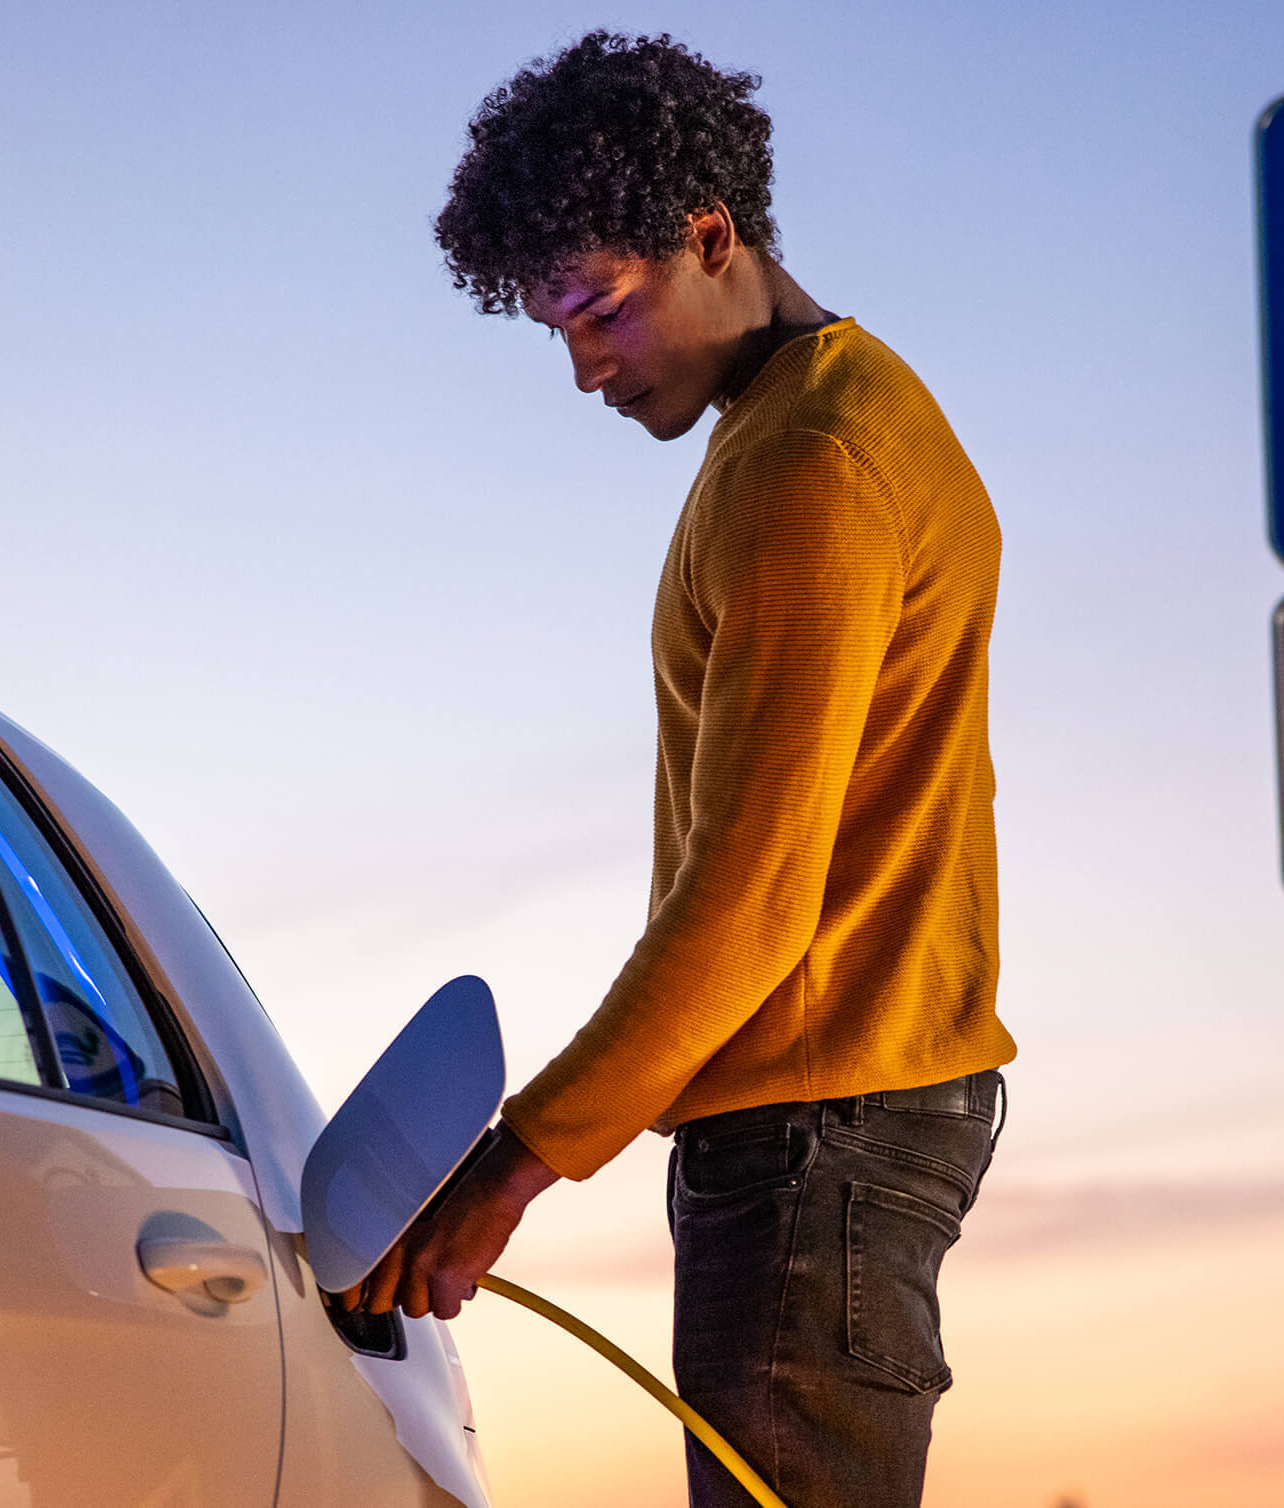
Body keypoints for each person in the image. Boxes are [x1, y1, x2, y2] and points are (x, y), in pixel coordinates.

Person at [345, 31, 1016, 1507]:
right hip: (842, 1114)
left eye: (601, 310)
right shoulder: (839, 413)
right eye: (556, 330)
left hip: (820, 1129)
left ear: (709, 235)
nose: (584, 367)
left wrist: (512, 1164)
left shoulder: (809, 465)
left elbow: (754, 898)